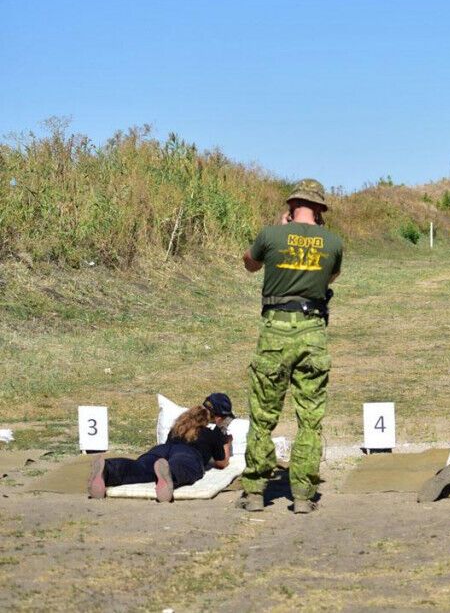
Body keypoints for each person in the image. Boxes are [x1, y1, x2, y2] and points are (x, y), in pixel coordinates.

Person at [238, 179, 343, 514]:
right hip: (313, 330)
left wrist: (281, 233)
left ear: (291, 205)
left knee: (263, 414)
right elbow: (329, 279)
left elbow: (249, 263)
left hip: (275, 329)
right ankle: (302, 495)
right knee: (310, 419)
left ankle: (255, 491)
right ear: (320, 210)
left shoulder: (271, 235)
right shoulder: (333, 242)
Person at [87, 393, 234, 502]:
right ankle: (169, 473)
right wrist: (226, 442)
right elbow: (222, 463)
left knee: (139, 468)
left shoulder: (181, 424)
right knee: (182, 467)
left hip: (162, 449)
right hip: (188, 454)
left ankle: (108, 469)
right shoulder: (212, 433)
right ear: (219, 418)